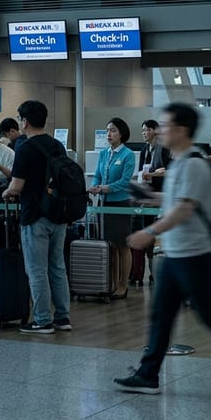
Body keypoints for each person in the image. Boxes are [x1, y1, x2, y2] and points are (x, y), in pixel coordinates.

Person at [115, 102, 211, 400]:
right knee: (162, 314)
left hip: (195, 255)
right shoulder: (181, 162)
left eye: (166, 126)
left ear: (182, 130)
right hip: (176, 253)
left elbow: (185, 208)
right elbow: (174, 198)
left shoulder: (195, 163)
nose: (160, 131)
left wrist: (149, 232)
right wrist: (148, 197)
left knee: (210, 316)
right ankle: (148, 374)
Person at [2, 100, 71, 334]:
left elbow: (16, 186)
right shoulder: (57, 146)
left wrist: (6, 192)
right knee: (57, 267)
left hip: (35, 216)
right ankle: (63, 317)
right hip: (59, 214)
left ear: (25, 121)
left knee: (36, 269)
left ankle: (42, 319)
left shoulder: (25, 148)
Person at [88, 118, 137, 299]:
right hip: (104, 204)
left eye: (113, 130)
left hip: (121, 204)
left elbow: (125, 181)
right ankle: (112, 283)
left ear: (122, 133)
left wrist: (105, 188)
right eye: (107, 130)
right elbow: (98, 175)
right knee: (110, 246)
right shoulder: (104, 154)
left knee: (123, 245)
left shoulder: (128, 154)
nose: (109, 134)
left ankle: (123, 285)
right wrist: (95, 186)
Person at [132, 119, 171, 286]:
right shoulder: (143, 150)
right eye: (142, 130)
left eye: (147, 130)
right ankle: (150, 270)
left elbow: (168, 171)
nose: (144, 133)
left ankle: (159, 272)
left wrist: (152, 175)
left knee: (159, 233)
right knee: (147, 230)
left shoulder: (163, 149)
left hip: (161, 194)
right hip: (148, 195)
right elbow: (142, 171)